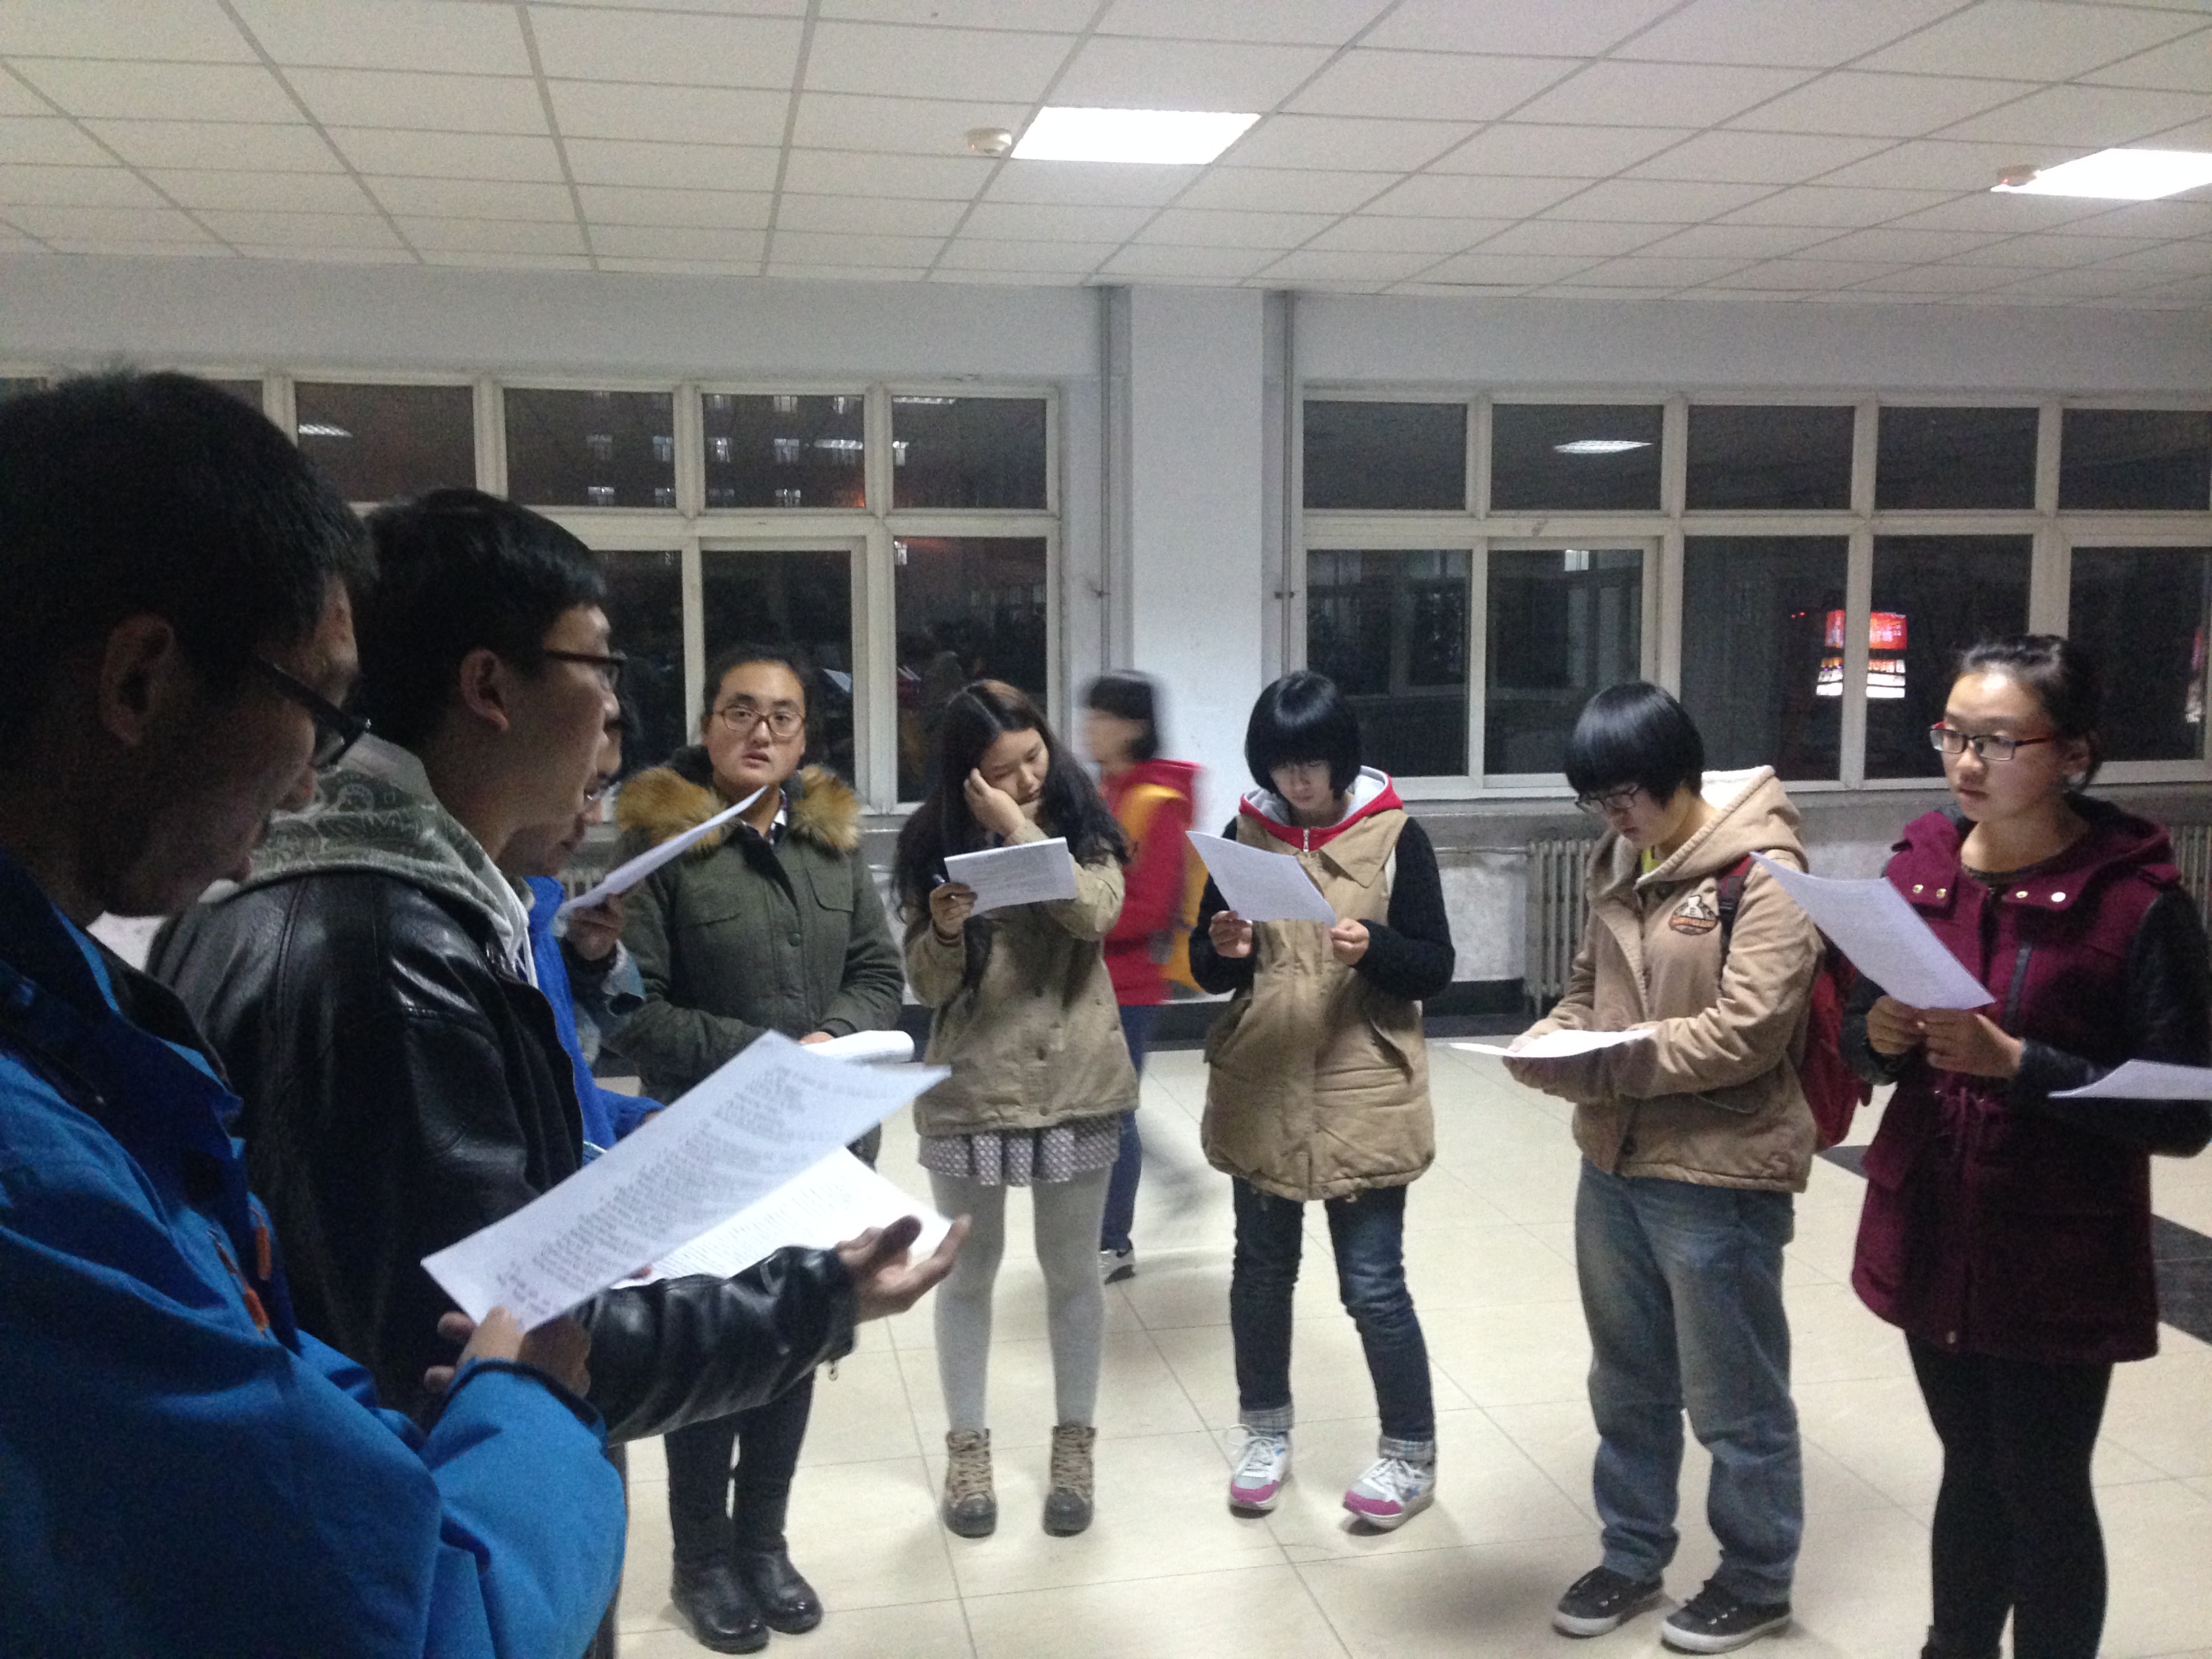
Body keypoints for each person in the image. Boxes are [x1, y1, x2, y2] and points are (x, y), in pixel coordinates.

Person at [0, 369, 623, 1657]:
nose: (306, 791)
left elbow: (242, 1348)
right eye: (322, 710)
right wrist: (525, 1405)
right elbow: (428, 1625)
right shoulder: (33, 1176)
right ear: (141, 680)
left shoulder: (70, 1030)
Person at [151, 490, 962, 1458]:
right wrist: (821, 1296)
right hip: (443, 1502)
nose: (615, 708)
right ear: (490, 687)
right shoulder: (382, 959)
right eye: (601, 666)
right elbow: (503, 1351)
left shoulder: (369, 893)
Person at [1843, 636, 2212, 1659]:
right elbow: (1859, 1039)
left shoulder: (2137, 902)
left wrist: (2021, 1064)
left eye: (1999, 741)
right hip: (1934, 1217)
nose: (1968, 762)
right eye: (1953, 736)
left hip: (2057, 1243)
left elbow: (2186, 1113)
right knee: (1969, 1464)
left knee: (2042, 1482)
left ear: (2072, 756)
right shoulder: (1916, 870)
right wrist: (1878, 1034)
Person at [1508, 682, 1821, 1655]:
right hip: (1615, 1160)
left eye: (1626, 794)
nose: (1614, 815)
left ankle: (1757, 1579)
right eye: (1595, 799)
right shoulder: (1617, 859)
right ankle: (1632, 1555)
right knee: (1628, 1382)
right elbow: (1585, 992)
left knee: (1735, 1394)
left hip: (1720, 1171)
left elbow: (1748, 1033)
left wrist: (1607, 1060)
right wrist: (1547, 1041)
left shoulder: (1765, 873)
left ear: (1678, 773)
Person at [611, 642, 905, 1654]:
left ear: (803, 735)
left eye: (782, 715)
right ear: (707, 726)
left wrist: (833, 1040)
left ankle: (764, 1544)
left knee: (798, 1338)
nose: (761, 730)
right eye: (740, 711)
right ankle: (701, 1561)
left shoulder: (830, 841)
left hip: (825, 1141)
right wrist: (766, 1058)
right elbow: (632, 1012)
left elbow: (878, 971)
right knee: (712, 1345)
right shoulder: (663, 848)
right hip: (710, 1144)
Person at [1189, 670, 1455, 1532]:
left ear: (1342, 759)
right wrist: (1225, 947)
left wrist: (1373, 946)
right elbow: (1209, 967)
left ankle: (1410, 1454)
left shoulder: (1398, 837)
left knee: (1373, 1286)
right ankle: (1264, 1436)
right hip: (1262, 1081)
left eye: (1310, 763)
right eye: (1281, 764)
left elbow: (1435, 966)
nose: (1296, 781)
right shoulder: (1244, 836)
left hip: (1363, 1087)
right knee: (1261, 1275)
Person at [893, 680, 1135, 1540]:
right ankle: (967, 1449)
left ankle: (1075, 1445)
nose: (1026, 779)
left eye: (1033, 758)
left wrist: (1018, 828)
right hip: (973, 1086)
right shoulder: (929, 842)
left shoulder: (1084, 819)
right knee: (968, 1273)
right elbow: (928, 987)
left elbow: (1096, 913)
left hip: (1077, 1078)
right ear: (965, 775)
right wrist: (943, 931)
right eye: (1001, 771)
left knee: (1072, 1270)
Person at [1080, 670, 1200, 1285]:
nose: (1089, 729)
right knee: (1102, 1108)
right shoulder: (1106, 788)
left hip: (1130, 986)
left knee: (1114, 1114)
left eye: (1101, 717)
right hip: (1089, 977)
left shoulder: (1157, 803)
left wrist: (1076, 914)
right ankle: (1169, 1181)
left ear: (1134, 727)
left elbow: (1150, 907)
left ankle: (1113, 1243)